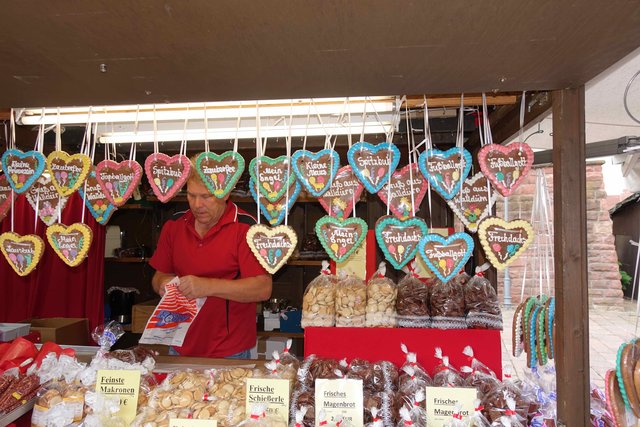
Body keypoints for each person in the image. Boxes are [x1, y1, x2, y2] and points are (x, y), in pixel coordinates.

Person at [149, 164, 272, 358]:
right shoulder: (174, 225)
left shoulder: (247, 228)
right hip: (178, 344)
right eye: (191, 195)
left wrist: (207, 286)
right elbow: (159, 276)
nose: (197, 204)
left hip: (230, 350)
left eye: (206, 196)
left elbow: (263, 288)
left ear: (226, 193)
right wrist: (163, 284)